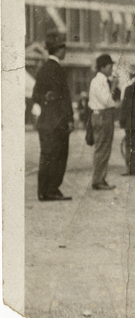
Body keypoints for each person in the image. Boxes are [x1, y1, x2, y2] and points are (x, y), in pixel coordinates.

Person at [32, 32, 74, 201]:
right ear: (58, 49)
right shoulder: (58, 70)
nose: (65, 51)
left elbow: (35, 95)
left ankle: (44, 191)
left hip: (45, 122)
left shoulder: (42, 70)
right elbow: (65, 98)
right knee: (58, 156)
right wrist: (70, 119)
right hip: (59, 122)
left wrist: (45, 99)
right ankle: (52, 190)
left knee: (47, 156)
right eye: (64, 47)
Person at [88, 53, 119, 190]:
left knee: (104, 148)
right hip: (102, 115)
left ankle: (101, 178)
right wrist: (114, 92)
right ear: (102, 67)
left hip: (103, 115)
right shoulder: (99, 81)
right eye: (110, 66)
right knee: (102, 149)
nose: (112, 69)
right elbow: (107, 101)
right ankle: (98, 180)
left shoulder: (103, 81)